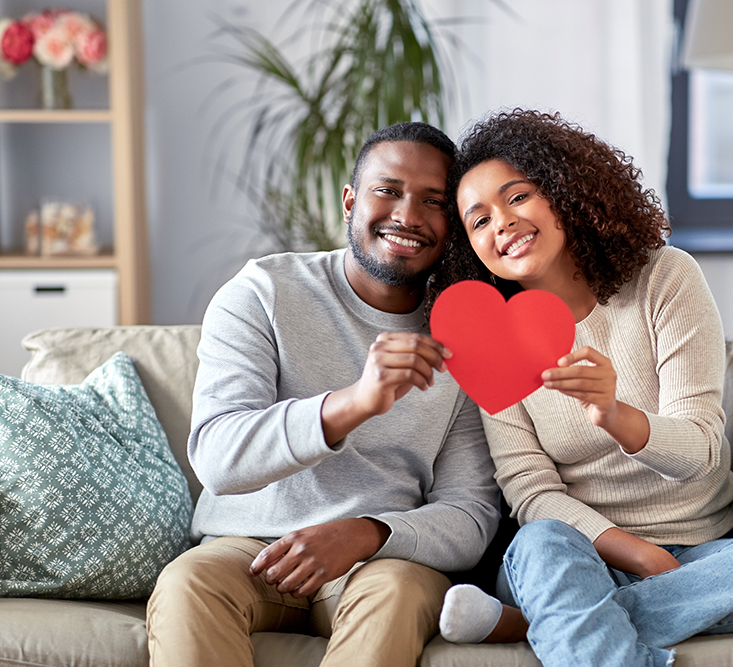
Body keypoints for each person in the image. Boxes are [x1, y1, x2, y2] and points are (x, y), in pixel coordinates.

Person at [429, 109, 733, 667]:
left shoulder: (664, 278)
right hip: (579, 553)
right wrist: (637, 554)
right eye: (479, 221)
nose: (501, 223)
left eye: (517, 197)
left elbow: (702, 453)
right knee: (540, 544)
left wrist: (614, 413)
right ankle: (568, 608)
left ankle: (546, 622)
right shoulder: (487, 338)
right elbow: (530, 492)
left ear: (563, 189)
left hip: (702, 555)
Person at [146, 121, 501, 667]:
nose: (408, 215)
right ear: (350, 200)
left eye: (433, 201)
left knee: (398, 593)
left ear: (452, 225)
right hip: (247, 550)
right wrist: (355, 402)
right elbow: (218, 458)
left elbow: (470, 515)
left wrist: (365, 534)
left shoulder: (465, 333)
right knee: (187, 584)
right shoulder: (262, 293)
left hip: (382, 559)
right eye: (388, 190)